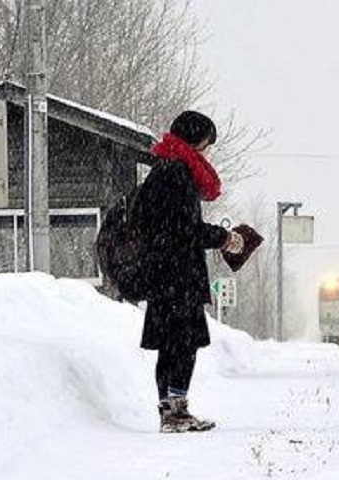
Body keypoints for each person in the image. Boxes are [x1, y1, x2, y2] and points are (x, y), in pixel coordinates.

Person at [133, 111, 244, 433]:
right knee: (182, 345)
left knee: (171, 345)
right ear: (195, 141)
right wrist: (225, 238)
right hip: (177, 276)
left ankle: (170, 412)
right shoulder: (178, 173)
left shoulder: (163, 170)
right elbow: (184, 229)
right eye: (207, 145)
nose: (207, 153)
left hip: (163, 275)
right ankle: (176, 414)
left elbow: (169, 227)